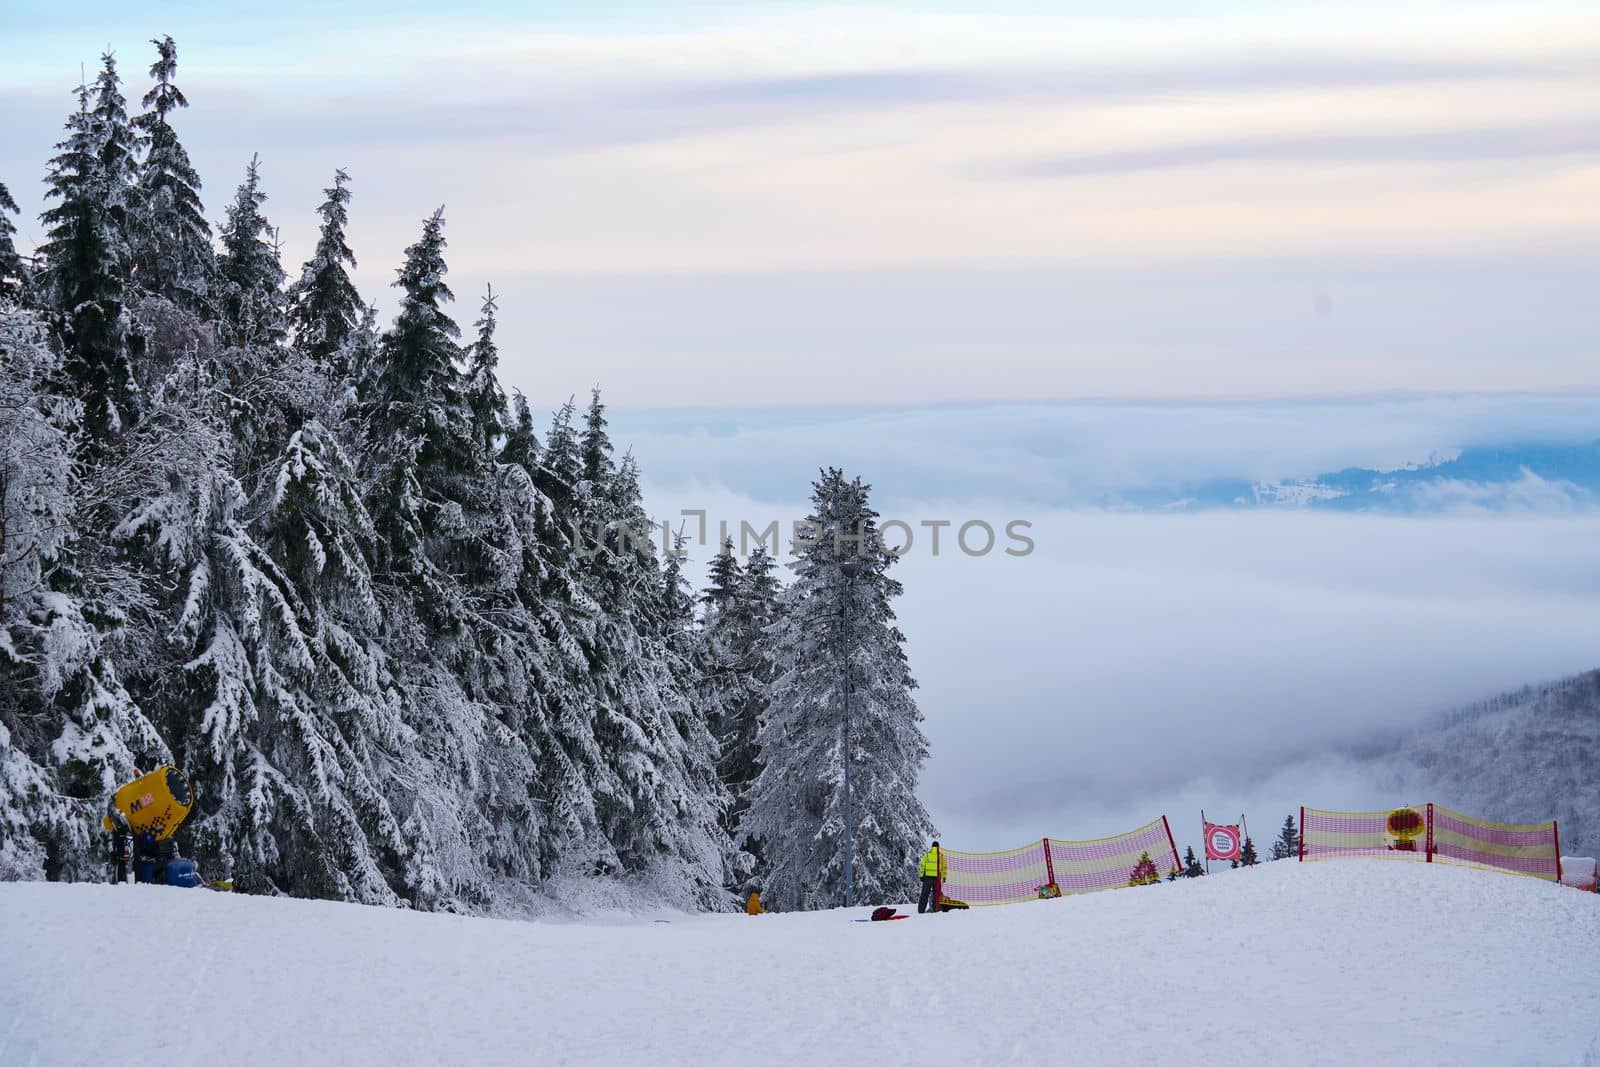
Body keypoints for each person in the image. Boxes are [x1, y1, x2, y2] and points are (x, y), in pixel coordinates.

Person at [917, 840, 947, 914]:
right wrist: (944, 877)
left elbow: (922, 866)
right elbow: (944, 868)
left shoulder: (927, 855)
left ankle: (921, 910)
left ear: (932, 847)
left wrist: (921, 876)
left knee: (924, 894)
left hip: (927, 878)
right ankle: (935, 909)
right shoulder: (941, 856)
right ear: (938, 847)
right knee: (935, 895)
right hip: (936, 879)